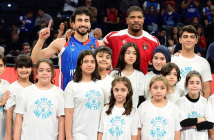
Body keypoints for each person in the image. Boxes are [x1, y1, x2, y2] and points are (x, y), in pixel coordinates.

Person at [31, 7, 99, 90]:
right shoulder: (61, 43)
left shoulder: (98, 44)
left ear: (90, 24)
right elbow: (34, 60)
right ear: (73, 24)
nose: (83, 24)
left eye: (86, 20)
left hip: (91, 97)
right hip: (67, 97)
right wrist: (41, 40)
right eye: (80, 20)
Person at [13, 59, 65, 140]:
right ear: (36, 73)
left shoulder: (59, 93)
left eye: (48, 70)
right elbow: (19, 117)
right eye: (41, 70)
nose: (44, 73)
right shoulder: (26, 92)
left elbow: (61, 120)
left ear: (52, 74)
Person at [102, 6, 160, 74]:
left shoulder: (153, 41)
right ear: (127, 20)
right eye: (132, 17)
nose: (136, 20)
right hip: (117, 82)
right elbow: (95, 48)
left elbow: (163, 61)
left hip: (140, 82)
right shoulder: (113, 37)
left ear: (143, 19)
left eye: (139, 17)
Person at [64, 50, 104, 140]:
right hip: (78, 135)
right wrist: (69, 137)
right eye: (86, 61)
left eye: (92, 62)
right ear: (80, 64)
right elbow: (68, 113)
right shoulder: (72, 86)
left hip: (98, 135)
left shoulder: (101, 84)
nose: (89, 65)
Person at [171, 25, 212, 99]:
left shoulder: (203, 62)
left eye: (192, 37)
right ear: (180, 40)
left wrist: (205, 107)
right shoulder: (172, 61)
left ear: (196, 40)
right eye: (185, 37)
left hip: (196, 108)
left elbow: (206, 89)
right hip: (175, 106)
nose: (188, 40)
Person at [138, 75, 181, 140]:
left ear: (167, 89)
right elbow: (138, 130)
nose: (158, 91)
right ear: (150, 88)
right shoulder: (143, 106)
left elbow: (177, 131)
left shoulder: (173, 108)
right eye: (155, 88)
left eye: (162, 88)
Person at [176, 71, 214, 140]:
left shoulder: (205, 102)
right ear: (186, 85)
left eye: (197, 83)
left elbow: (210, 124)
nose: (194, 86)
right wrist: (201, 119)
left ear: (201, 85)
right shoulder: (180, 101)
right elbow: (183, 122)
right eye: (191, 83)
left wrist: (194, 125)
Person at [4, 55, 34, 140]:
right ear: (16, 69)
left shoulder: (35, 88)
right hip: (16, 133)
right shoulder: (12, 88)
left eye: (27, 67)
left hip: (31, 132)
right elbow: (9, 113)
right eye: (21, 67)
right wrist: (9, 135)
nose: (24, 70)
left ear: (31, 69)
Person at [109, 42, 144, 107]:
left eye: (134, 53)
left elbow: (141, 98)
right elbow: (110, 95)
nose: (131, 56)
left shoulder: (140, 75)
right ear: (123, 54)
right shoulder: (114, 74)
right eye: (128, 53)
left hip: (133, 112)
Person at [0, 54, 10, 139]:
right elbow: (3, 103)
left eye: (0, 65)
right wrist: (1, 102)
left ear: (4, 67)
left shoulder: (6, 84)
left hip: (2, 128)